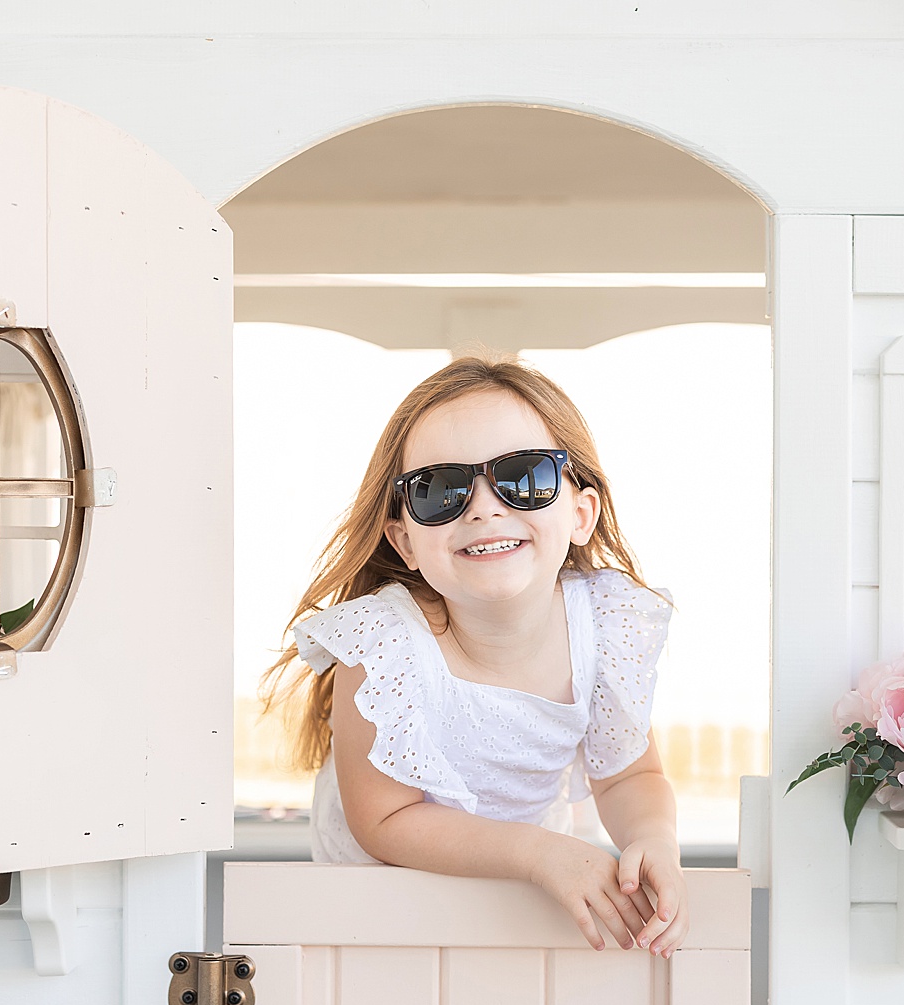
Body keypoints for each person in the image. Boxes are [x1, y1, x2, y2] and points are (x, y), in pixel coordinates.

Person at [261, 355, 688, 957]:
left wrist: (654, 839)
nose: (485, 507)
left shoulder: (604, 628)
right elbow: (385, 821)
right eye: (442, 490)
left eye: (524, 476)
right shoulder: (384, 647)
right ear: (406, 539)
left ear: (581, 513)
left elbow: (629, 775)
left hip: (535, 873)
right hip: (384, 896)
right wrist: (538, 854)